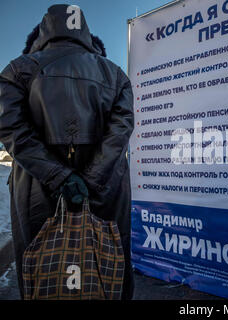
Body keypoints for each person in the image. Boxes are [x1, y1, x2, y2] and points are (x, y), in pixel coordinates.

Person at [0, 4, 135, 299]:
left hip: (36, 191)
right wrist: (90, 179)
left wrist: (60, 177)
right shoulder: (115, 75)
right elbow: (121, 130)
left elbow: (12, 130)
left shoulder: (17, 71)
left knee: (41, 269)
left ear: (42, 34)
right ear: (87, 35)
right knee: (108, 264)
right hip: (107, 189)